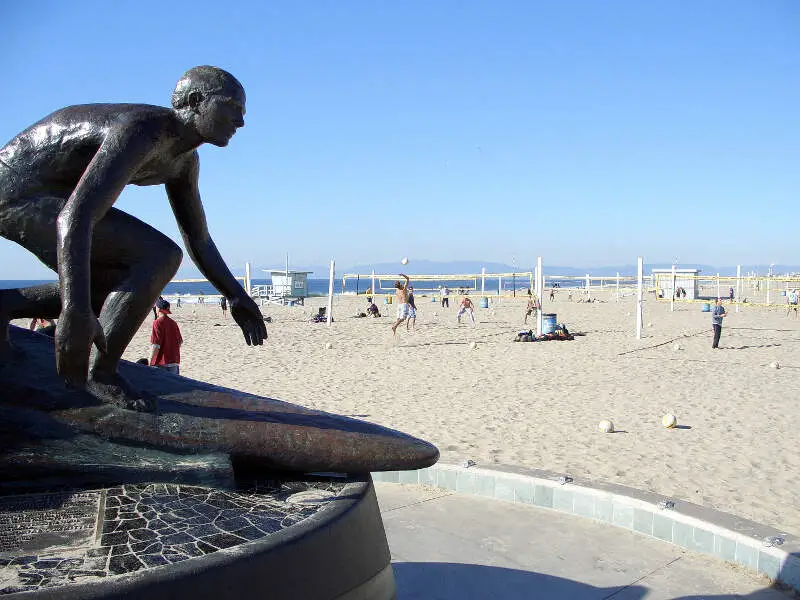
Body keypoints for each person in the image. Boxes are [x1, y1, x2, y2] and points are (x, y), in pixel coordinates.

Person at [0, 66, 267, 409]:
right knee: (159, 256)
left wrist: (236, 294)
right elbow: (76, 215)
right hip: (18, 189)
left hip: (52, 195)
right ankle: (101, 373)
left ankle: (6, 304)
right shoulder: (142, 130)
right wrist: (76, 311)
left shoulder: (184, 160)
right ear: (196, 101)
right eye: (232, 106)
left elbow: (198, 238)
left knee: (121, 288)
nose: (240, 122)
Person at [149, 299, 183, 374]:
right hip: (174, 361)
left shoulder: (157, 322)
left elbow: (155, 345)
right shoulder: (173, 323)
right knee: (173, 385)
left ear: (158, 309)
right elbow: (180, 342)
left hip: (161, 363)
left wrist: (150, 363)